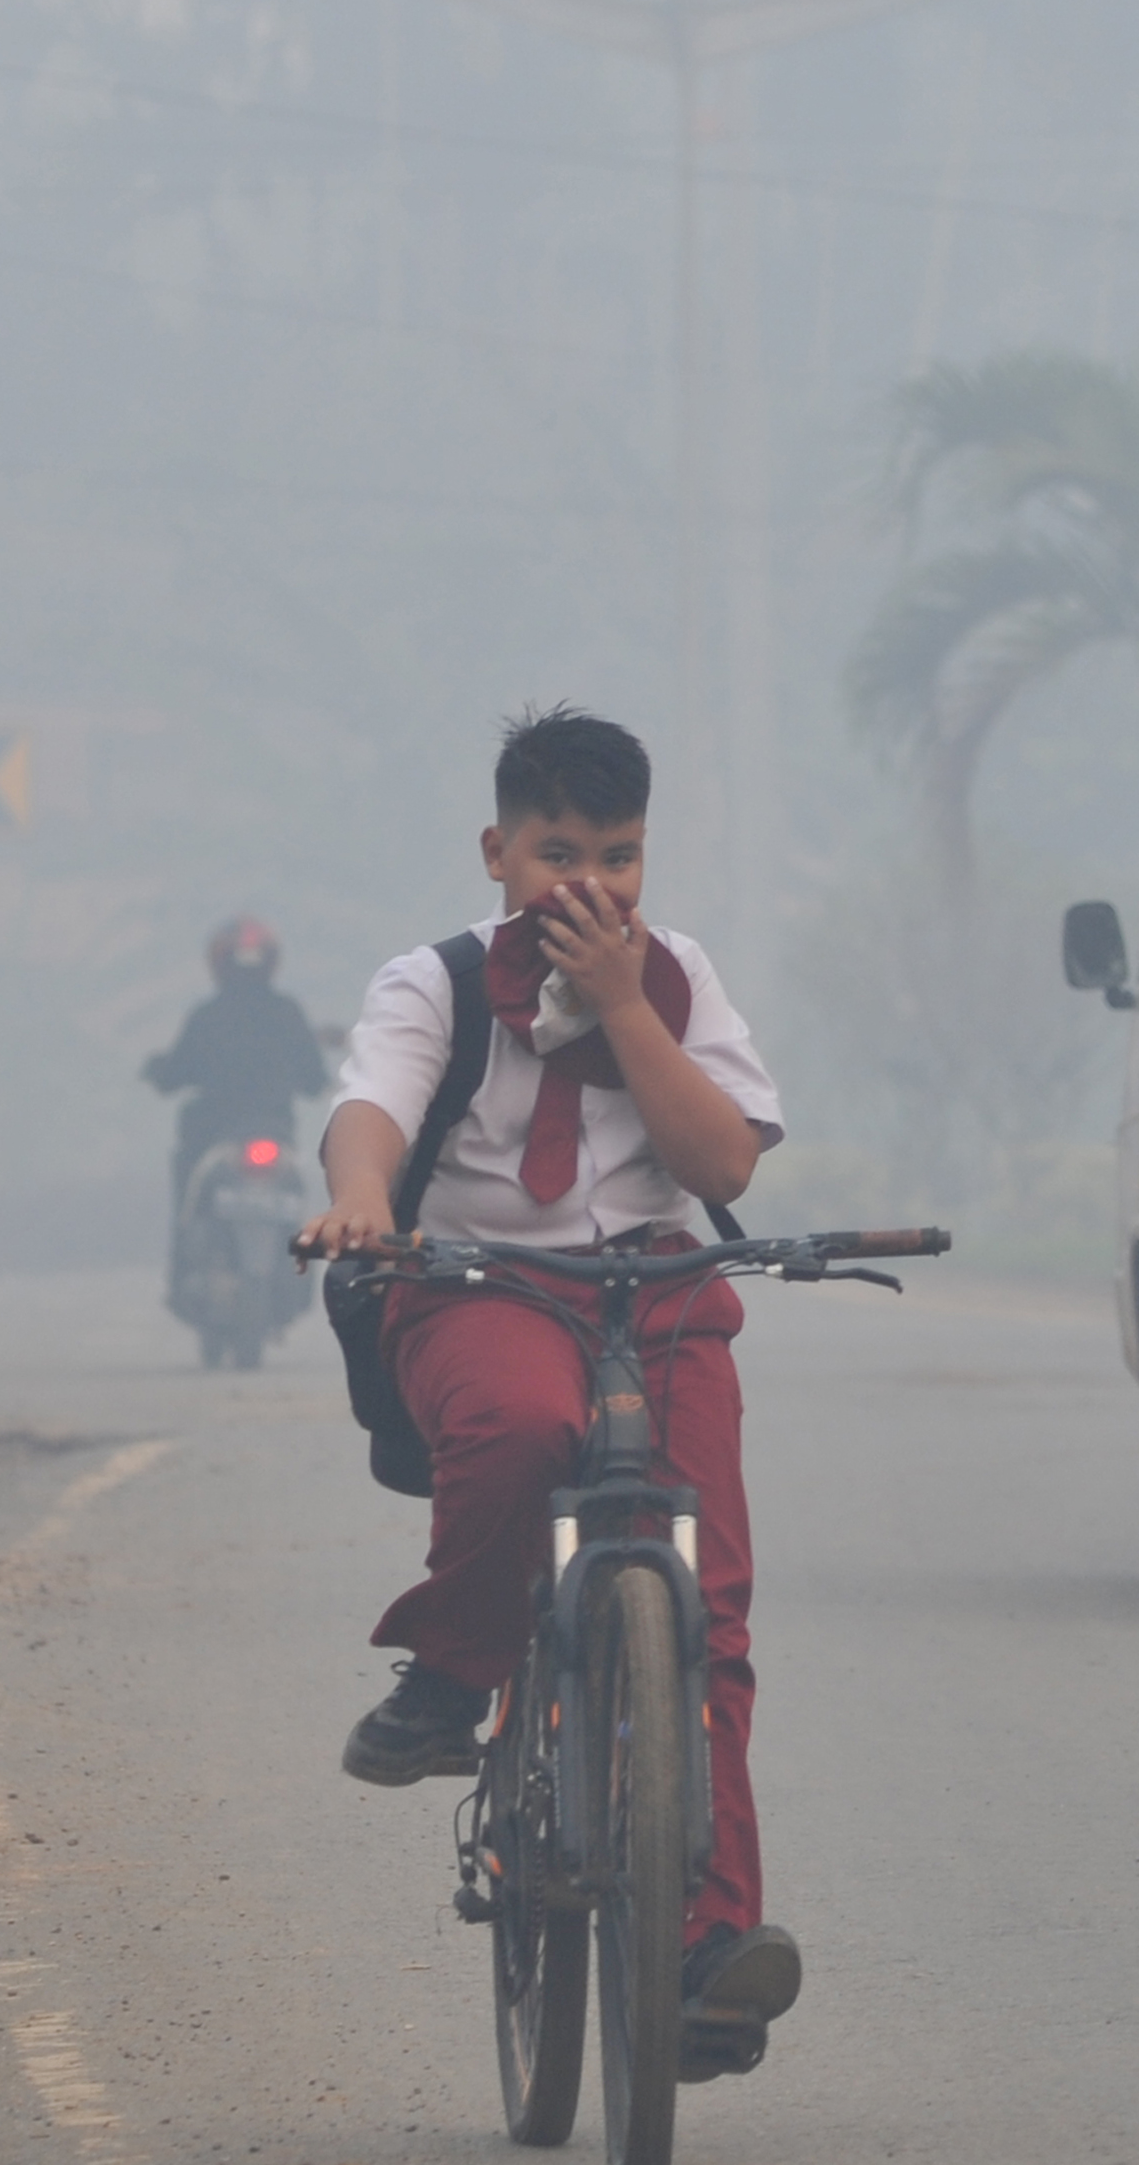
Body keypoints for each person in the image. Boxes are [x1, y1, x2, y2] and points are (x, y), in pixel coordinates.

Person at [294, 706, 799, 2078]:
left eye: (618, 856)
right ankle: (454, 1671)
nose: (591, 884)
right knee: (523, 1427)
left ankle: (706, 1948)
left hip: (659, 1296)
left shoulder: (676, 978)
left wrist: (626, 1007)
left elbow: (724, 1168)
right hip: (479, 1287)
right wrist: (360, 1199)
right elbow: (373, 1110)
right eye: (558, 852)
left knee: (712, 1614)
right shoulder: (438, 983)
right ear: (498, 853)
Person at [142, 917, 333, 1202]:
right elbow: (314, 1082)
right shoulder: (288, 1012)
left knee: (188, 1178)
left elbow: (173, 1076)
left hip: (215, 1132)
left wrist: (156, 1070)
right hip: (277, 1129)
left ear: (219, 963)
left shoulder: (207, 1015)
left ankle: (184, 1223)